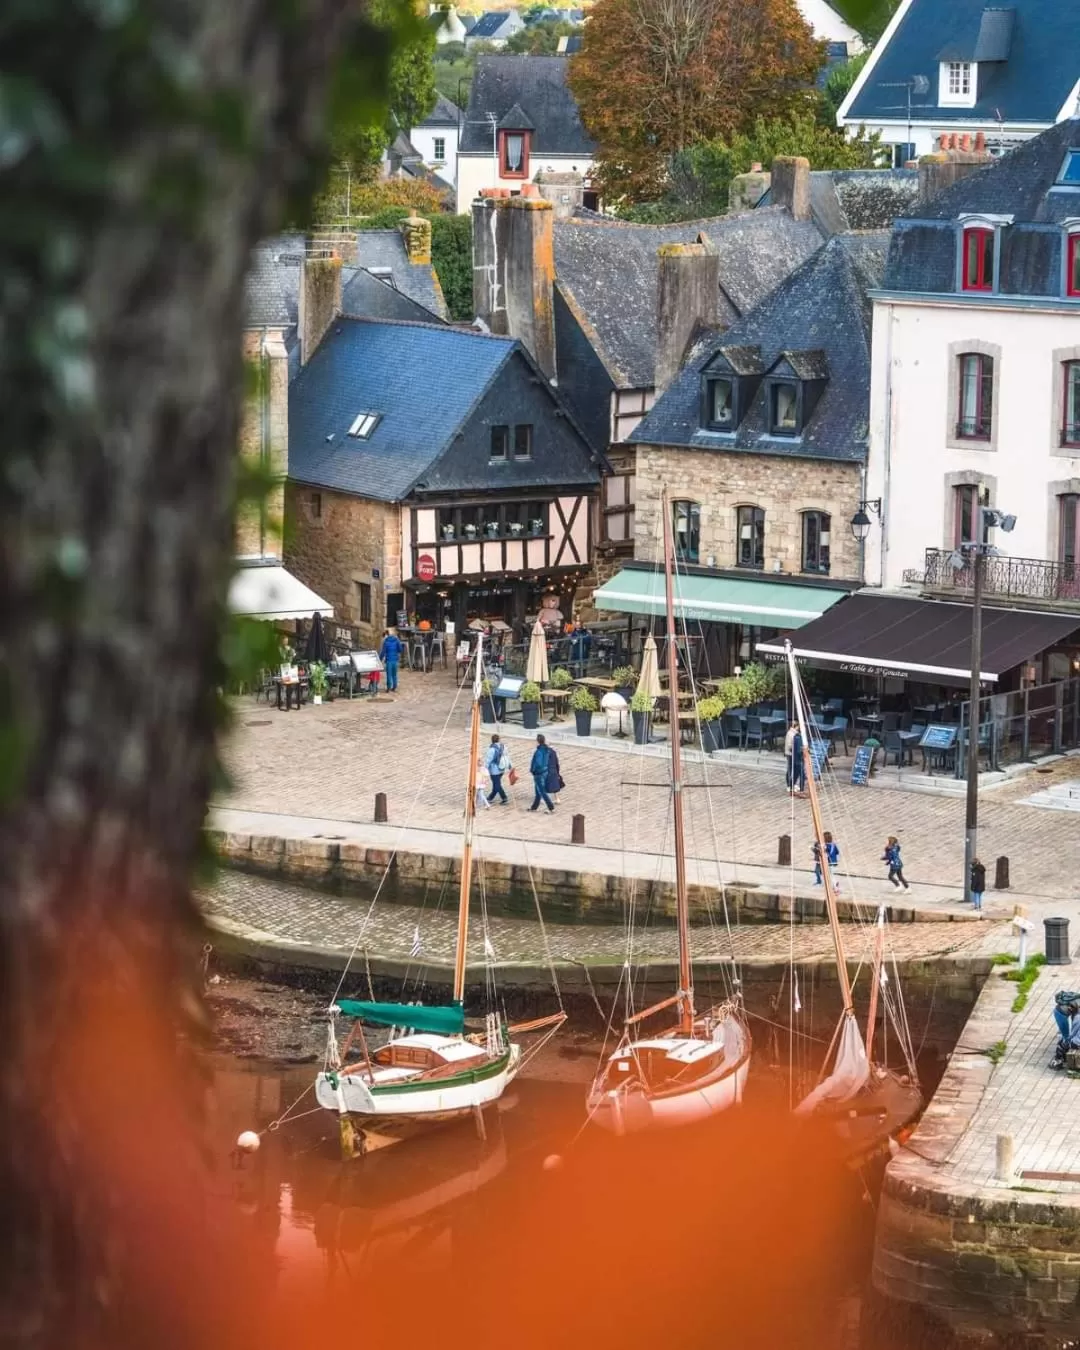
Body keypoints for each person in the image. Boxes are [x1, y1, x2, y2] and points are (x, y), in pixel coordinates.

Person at [1051, 990, 1080, 1070]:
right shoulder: (1078, 1017)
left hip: (1061, 1012)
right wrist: (1071, 1040)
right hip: (1061, 1014)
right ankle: (1057, 1060)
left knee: (1067, 1038)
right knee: (1066, 1037)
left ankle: (1061, 1056)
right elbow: (1075, 1030)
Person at [529, 734, 555, 812]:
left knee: (542, 791)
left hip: (538, 773)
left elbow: (538, 763)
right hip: (545, 771)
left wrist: (533, 770)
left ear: (538, 741)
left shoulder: (538, 751)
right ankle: (534, 807)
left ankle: (551, 807)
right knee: (538, 791)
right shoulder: (547, 750)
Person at [485, 734, 510, 806]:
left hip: (494, 770)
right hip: (502, 768)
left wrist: (484, 769)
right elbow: (507, 756)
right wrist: (509, 766)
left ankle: (504, 798)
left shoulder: (491, 749)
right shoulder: (504, 747)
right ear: (499, 740)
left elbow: (488, 761)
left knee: (497, 785)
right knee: (496, 784)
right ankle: (490, 797)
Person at [380, 628, 403, 692]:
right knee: (394, 674)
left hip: (389, 660)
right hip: (395, 660)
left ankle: (388, 687)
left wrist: (380, 659)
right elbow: (400, 649)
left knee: (389, 674)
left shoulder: (386, 642)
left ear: (386, 635)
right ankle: (394, 686)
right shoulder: (397, 640)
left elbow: (383, 652)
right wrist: (396, 651)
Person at [790, 727, 806, 796]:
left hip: (794, 759)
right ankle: (801, 790)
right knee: (802, 775)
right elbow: (799, 751)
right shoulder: (800, 739)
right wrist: (805, 751)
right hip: (799, 760)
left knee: (795, 775)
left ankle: (791, 788)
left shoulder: (795, 737)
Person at [784, 722, 797, 791]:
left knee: (793, 769)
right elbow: (789, 746)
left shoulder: (794, 733)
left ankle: (793, 784)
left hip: (792, 754)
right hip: (790, 754)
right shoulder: (791, 734)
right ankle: (789, 785)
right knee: (790, 769)